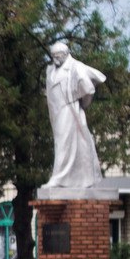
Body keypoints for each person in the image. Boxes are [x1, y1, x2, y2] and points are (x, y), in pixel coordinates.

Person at [44, 41, 107, 190]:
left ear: (66, 54)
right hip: (56, 112)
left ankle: (58, 177)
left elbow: (88, 90)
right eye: (53, 56)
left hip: (69, 110)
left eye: (58, 56)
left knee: (63, 144)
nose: (55, 59)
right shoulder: (50, 70)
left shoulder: (75, 67)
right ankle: (75, 178)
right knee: (65, 143)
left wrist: (81, 105)